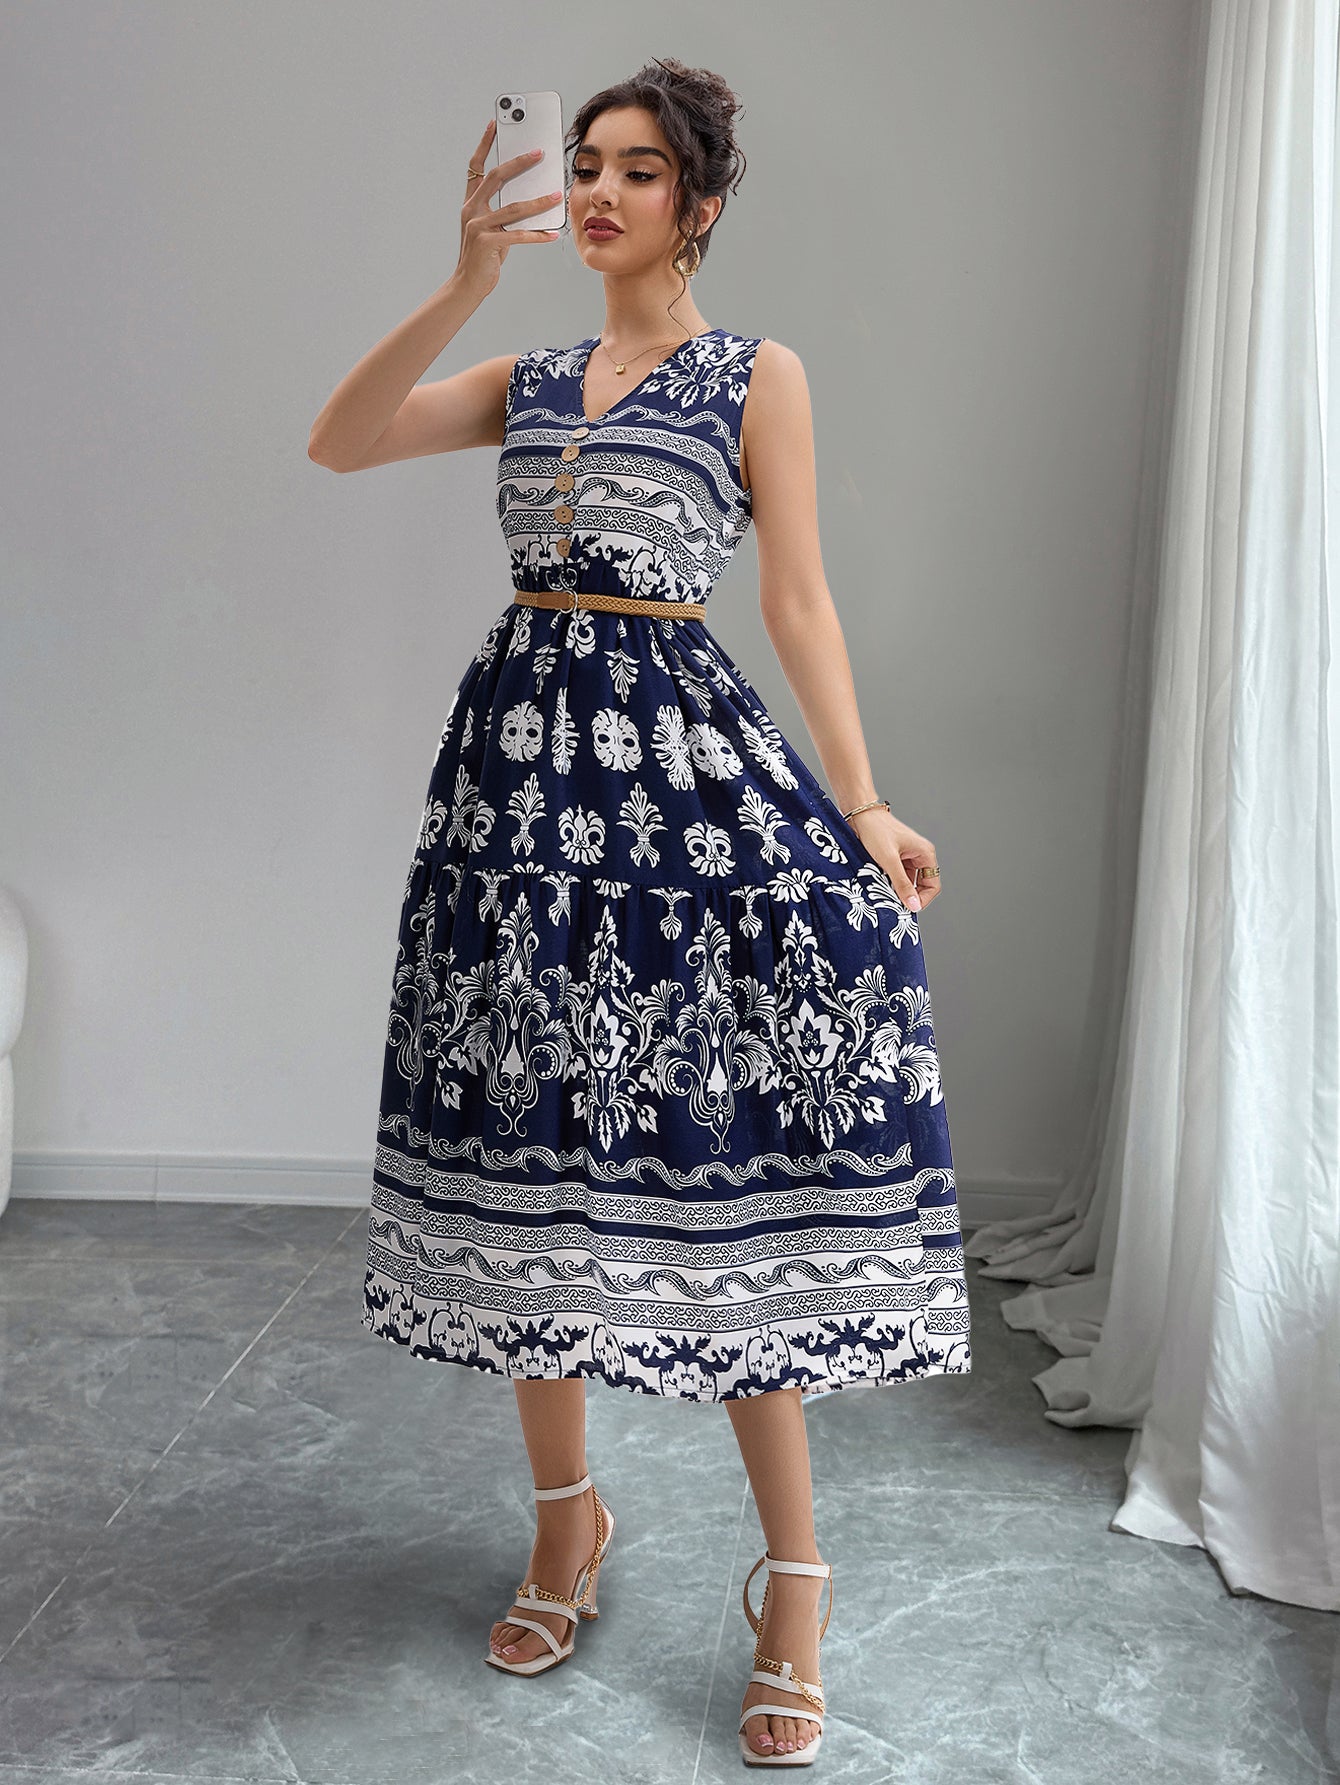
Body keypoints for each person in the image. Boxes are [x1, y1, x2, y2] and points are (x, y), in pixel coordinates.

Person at [310, 56, 971, 1769]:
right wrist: (462, 277)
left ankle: (797, 1579)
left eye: (639, 172)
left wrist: (866, 796)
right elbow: (341, 438)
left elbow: (799, 594)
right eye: (586, 167)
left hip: (679, 783)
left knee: (724, 1159)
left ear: (702, 205)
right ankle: (567, 1516)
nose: (598, 192)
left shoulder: (757, 375)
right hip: (518, 798)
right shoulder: (530, 374)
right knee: (536, 1161)